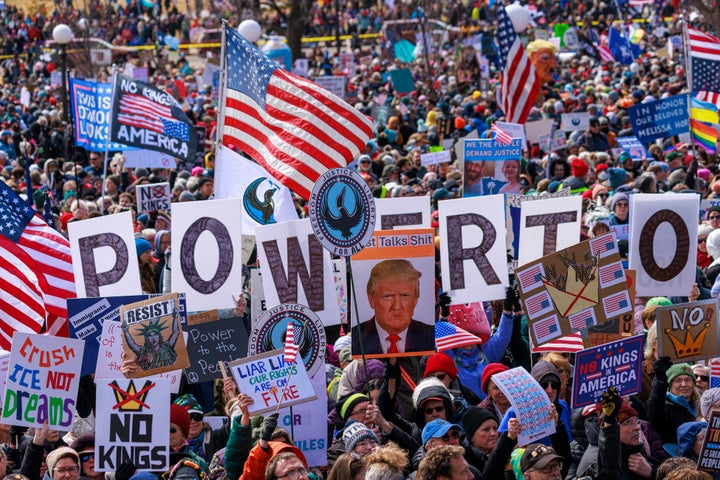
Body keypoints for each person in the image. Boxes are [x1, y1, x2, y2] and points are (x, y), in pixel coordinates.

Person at [351, 259, 434, 355]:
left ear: (415, 299)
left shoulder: (431, 336)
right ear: (371, 300)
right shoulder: (355, 340)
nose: (397, 306)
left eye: (405, 296)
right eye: (388, 296)